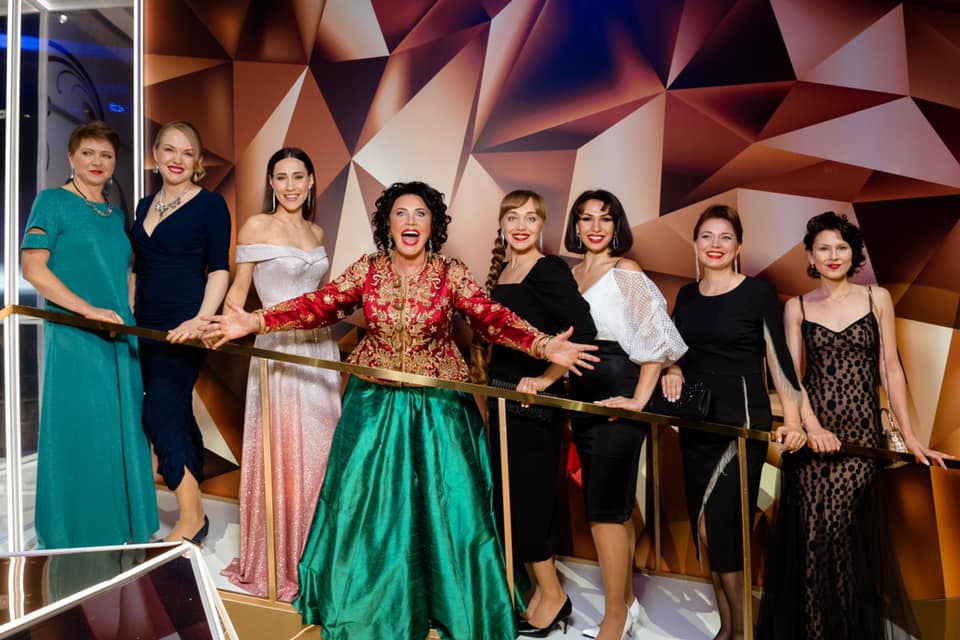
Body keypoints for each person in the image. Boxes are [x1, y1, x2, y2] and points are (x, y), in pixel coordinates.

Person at [204, 181, 599, 640]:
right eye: (401, 214)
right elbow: (320, 305)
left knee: (449, 511)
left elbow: (490, 317)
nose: (410, 221)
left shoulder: (450, 273)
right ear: (387, 225)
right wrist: (255, 320)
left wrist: (544, 344)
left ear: (433, 225)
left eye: (420, 214)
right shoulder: (368, 270)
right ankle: (372, 602)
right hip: (374, 406)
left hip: (439, 410)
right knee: (366, 509)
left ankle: (452, 601)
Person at [756, 212, 940, 639]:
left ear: (854, 254)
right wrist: (812, 427)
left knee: (837, 539)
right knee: (813, 544)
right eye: (824, 248)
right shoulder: (797, 307)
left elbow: (890, 369)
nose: (833, 255)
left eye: (841, 247)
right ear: (810, 256)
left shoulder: (877, 298)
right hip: (814, 441)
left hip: (858, 439)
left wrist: (910, 437)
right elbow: (792, 376)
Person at [661, 204, 806, 640]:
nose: (715, 245)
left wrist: (794, 419)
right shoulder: (687, 296)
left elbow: (779, 360)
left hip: (740, 426)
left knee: (720, 529)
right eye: (707, 236)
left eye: (725, 237)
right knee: (706, 530)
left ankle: (744, 632)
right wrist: (673, 369)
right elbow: (674, 350)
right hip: (696, 424)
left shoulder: (757, 294)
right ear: (695, 244)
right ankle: (728, 628)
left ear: (738, 246)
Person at [21, 120, 158, 548]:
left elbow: (121, 274)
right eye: (88, 153)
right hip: (76, 335)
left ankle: (124, 527)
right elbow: (33, 270)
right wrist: (89, 311)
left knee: (119, 430)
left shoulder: (115, 215)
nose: (97, 162)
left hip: (119, 337)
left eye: (106, 155)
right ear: (71, 157)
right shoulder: (51, 202)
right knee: (82, 429)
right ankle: (78, 531)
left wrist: (126, 312)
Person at [469, 190, 596, 637]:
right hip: (503, 399)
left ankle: (554, 595)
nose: (520, 225)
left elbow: (583, 331)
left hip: (534, 407)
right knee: (509, 502)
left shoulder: (549, 269)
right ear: (502, 224)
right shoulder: (505, 271)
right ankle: (541, 593)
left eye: (530, 217)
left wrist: (545, 379)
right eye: (512, 217)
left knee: (530, 503)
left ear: (542, 225)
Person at [562, 189, 688, 640]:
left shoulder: (626, 271)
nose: (595, 227)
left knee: (605, 511)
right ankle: (628, 604)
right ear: (575, 226)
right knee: (610, 504)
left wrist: (637, 399)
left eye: (605, 218)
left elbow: (657, 336)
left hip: (619, 391)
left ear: (617, 226)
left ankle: (614, 620)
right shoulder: (570, 274)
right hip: (582, 396)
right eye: (586, 218)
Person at [221, 148, 342, 601]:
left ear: (310, 181)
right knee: (283, 452)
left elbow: (321, 299)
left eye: (298, 176)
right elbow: (239, 289)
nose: (290, 185)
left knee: (322, 454)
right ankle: (281, 560)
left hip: (320, 349)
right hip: (278, 348)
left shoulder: (317, 231)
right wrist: (220, 323)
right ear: (271, 183)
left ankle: (317, 556)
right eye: (281, 177)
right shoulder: (256, 225)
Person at [130, 121, 231, 543]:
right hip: (144, 325)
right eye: (169, 150)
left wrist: (201, 321)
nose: (177, 159)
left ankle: (191, 517)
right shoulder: (143, 205)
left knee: (160, 410)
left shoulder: (211, 205)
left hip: (185, 323)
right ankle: (196, 508)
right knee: (173, 411)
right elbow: (138, 268)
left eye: (187, 152)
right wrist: (128, 314)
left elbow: (220, 269)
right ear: (155, 155)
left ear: (198, 162)